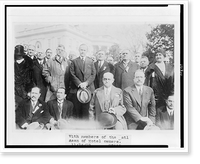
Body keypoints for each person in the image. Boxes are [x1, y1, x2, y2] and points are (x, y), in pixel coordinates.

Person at [69, 44, 96, 119]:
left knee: (87, 110)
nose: (82, 51)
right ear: (79, 50)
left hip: (88, 89)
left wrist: (86, 83)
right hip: (77, 89)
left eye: (84, 50)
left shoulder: (91, 61)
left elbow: (93, 74)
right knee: (77, 111)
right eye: (81, 50)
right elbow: (72, 74)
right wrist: (80, 84)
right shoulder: (74, 61)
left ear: (86, 51)